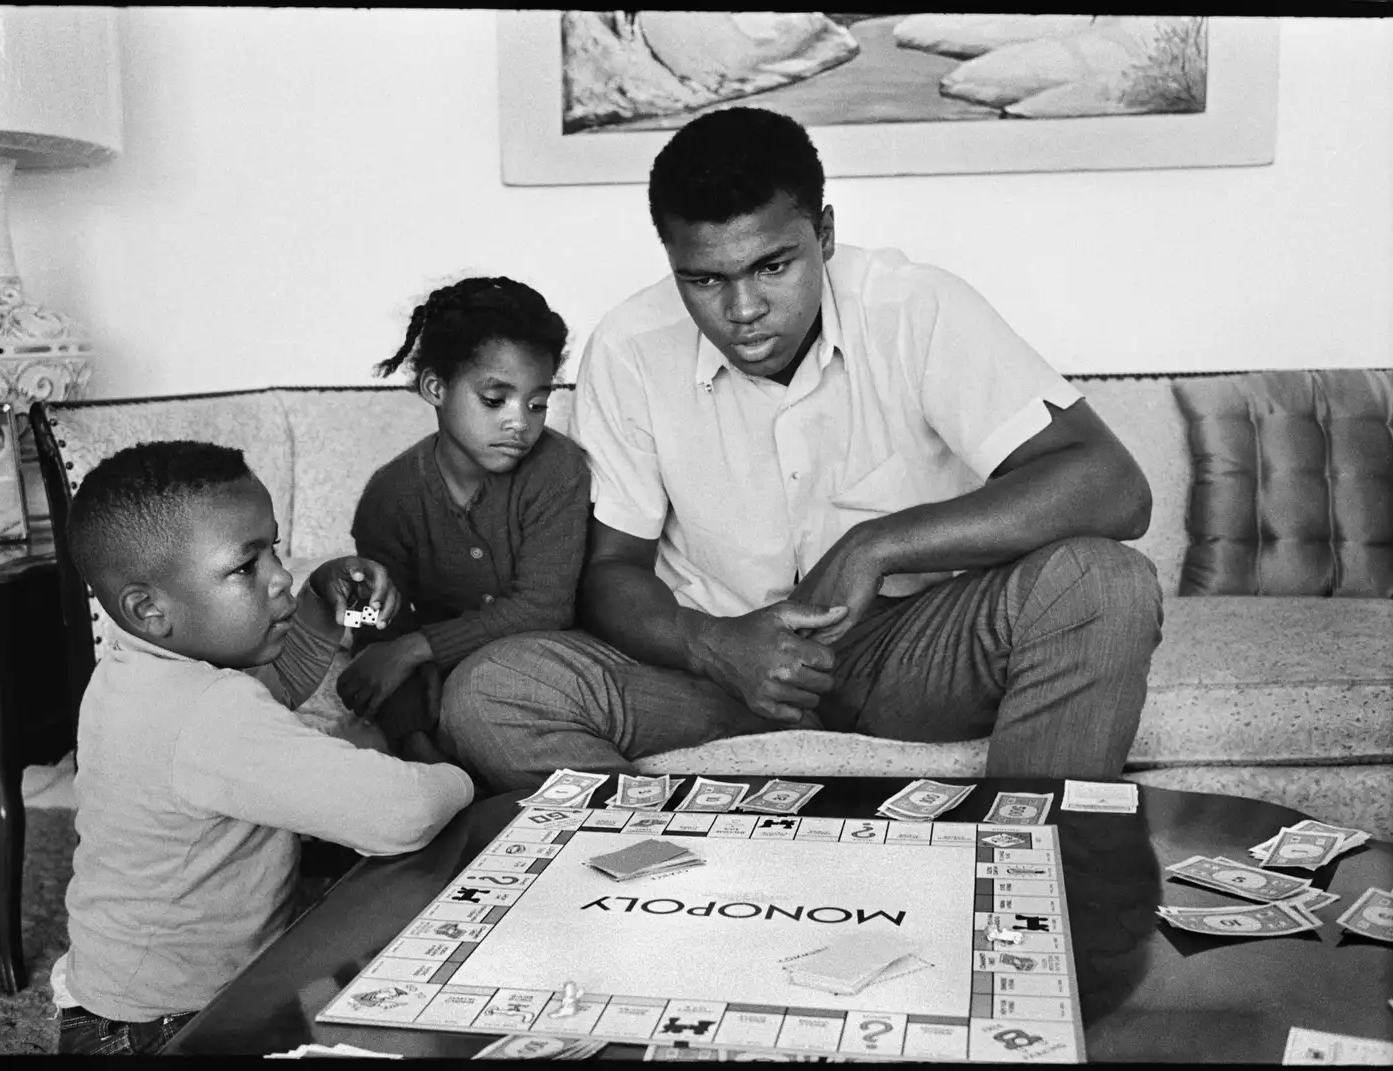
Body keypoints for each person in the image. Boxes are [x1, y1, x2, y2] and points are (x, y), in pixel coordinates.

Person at [437, 107, 1164, 791]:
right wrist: (714, 645)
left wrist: (877, 545)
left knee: (1103, 581)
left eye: (773, 267)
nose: (743, 309)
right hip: (714, 671)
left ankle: (1025, 874)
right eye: (705, 279)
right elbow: (609, 570)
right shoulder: (630, 347)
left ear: (825, 232)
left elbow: (1112, 486)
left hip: (905, 653)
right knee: (490, 692)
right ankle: (687, 877)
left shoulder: (914, 306)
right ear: (671, 259)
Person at [50, 439, 474, 1055]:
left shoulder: (137, 668)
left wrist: (326, 605)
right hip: (169, 1028)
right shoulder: (209, 711)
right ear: (149, 608)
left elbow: (266, 695)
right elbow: (400, 814)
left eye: (273, 549)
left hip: (114, 1003)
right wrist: (456, 776)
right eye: (245, 567)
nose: (281, 577)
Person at [336, 277, 591, 768]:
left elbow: (545, 607)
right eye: (495, 400)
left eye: (537, 403)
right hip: (440, 685)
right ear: (436, 387)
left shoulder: (558, 470)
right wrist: (410, 737)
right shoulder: (389, 497)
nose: (521, 422)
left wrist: (417, 647)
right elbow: (374, 628)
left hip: (543, 673)